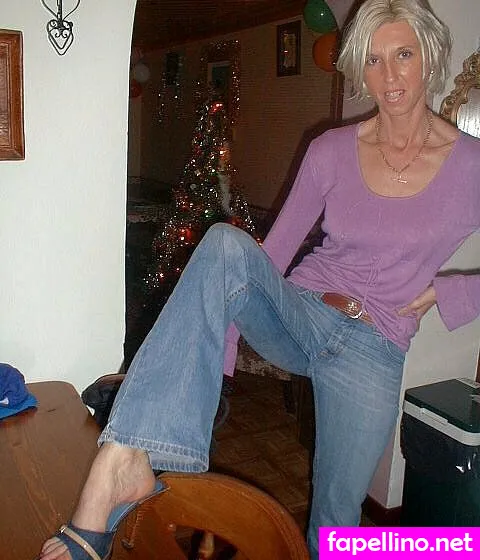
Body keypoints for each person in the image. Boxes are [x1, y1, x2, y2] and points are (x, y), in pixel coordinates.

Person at [40, 0, 480, 558]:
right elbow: (269, 256)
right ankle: (123, 459)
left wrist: (449, 291)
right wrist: (222, 354)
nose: (389, 75)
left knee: (337, 518)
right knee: (225, 242)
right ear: (359, 69)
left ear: (429, 58)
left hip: (376, 345)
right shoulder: (332, 150)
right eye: (373, 59)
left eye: (403, 55)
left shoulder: (469, 165)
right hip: (304, 310)